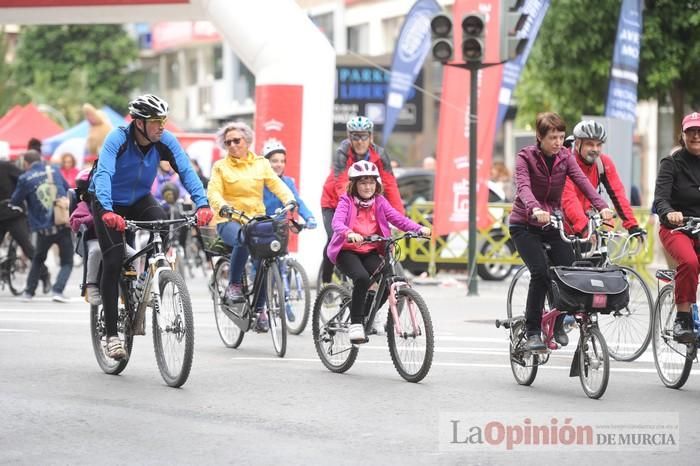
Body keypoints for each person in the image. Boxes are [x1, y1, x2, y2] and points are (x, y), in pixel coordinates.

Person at [88, 94, 213, 360]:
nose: (161, 126)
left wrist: (202, 204)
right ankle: (111, 336)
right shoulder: (117, 139)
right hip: (107, 200)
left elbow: (187, 171)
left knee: (162, 222)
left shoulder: (165, 141)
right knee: (112, 261)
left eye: (163, 121)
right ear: (139, 123)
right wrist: (108, 211)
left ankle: (146, 277)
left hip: (139, 199)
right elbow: (104, 175)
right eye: (156, 121)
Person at [509, 112, 614, 352]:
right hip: (524, 224)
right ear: (539, 137)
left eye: (560, 137)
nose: (558, 142)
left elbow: (583, 183)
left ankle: (556, 324)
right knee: (541, 273)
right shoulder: (525, 157)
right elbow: (523, 187)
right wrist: (534, 207)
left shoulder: (565, 158)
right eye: (552, 137)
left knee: (569, 272)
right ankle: (533, 331)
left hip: (551, 225)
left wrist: (603, 207)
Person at [327, 161, 430, 343]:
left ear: (377, 185)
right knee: (362, 278)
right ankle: (356, 323)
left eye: (371, 183)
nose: (367, 187)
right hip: (347, 250)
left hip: (371, 250)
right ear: (354, 185)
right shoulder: (347, 201)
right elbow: (337, 223)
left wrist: (418, 228)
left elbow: (398, 219)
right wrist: (349, 233)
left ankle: (365, 312)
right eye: (363, 183)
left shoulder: (380, 202)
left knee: (387, 278)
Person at [207, 121, 296, 332]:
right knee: (242, 238)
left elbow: (277, 184)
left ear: (246, 141)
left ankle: (259, 310)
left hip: (256, 219)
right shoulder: (220, 166)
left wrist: (289, 200)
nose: (233, 145)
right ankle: (234, 285)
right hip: (228, 219)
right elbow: (213, 192)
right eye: (228, 142)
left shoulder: (261, 164)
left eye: (236, 140)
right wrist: (223, 206)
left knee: (268, 257)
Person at [320, 116, 404, 286]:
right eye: (355, 136)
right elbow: (341, 183)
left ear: (371, 137)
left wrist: (399, 215)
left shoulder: (380, 155)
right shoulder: (342, 152)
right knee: (333, 237)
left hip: (365, 201)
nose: (360, 141)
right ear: (349, 138)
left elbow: (390, 185)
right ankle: (326, 282)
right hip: (334, 202)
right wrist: (355, 205)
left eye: (364, 136)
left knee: (373, 237)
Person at [652, 111, 700, 343]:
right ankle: (682, 318)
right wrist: (670, 213)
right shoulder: (671, 163)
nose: (696, 136)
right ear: (682, 135)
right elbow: (660, 198)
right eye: (691, 131)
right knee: (690, 262)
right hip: (676, 229)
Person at [10, 149, 73, 302]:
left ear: (26, 163)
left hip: (42, 228)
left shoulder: (25, 178)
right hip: (61, 223)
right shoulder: (55, 170)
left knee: (38, 259)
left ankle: (29, 292)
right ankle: (58, 290)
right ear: (41, 158)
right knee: (67, 261)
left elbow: (15, 201)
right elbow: (67, 189)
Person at [561, 120, 643, 238]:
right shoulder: (564, 162)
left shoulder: (603, 163)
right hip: (562, 227)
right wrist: (584, 229)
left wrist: (632, 225)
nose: (595, 149)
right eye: (590, 144)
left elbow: (618, 194)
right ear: (578, 143)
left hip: (588, 224)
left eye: (599, 145)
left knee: (601, 255)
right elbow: (569, 199)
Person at [0, 152, 51, 293]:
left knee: (27, 247)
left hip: (13, 214)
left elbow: (25, 179)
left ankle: (45, 275)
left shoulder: (5, 166)